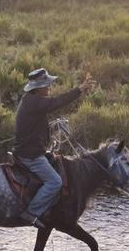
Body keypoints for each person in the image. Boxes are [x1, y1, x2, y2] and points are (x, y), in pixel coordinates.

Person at [13, 68, 96, 229]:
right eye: (47, 84)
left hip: (28, 150)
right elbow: (57, 102)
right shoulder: (35, 102)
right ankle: (31, 212)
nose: (50, 87)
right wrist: (79, 89)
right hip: (30, 155)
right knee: (55, 181)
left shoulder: (30, 99)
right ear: (39, 87)